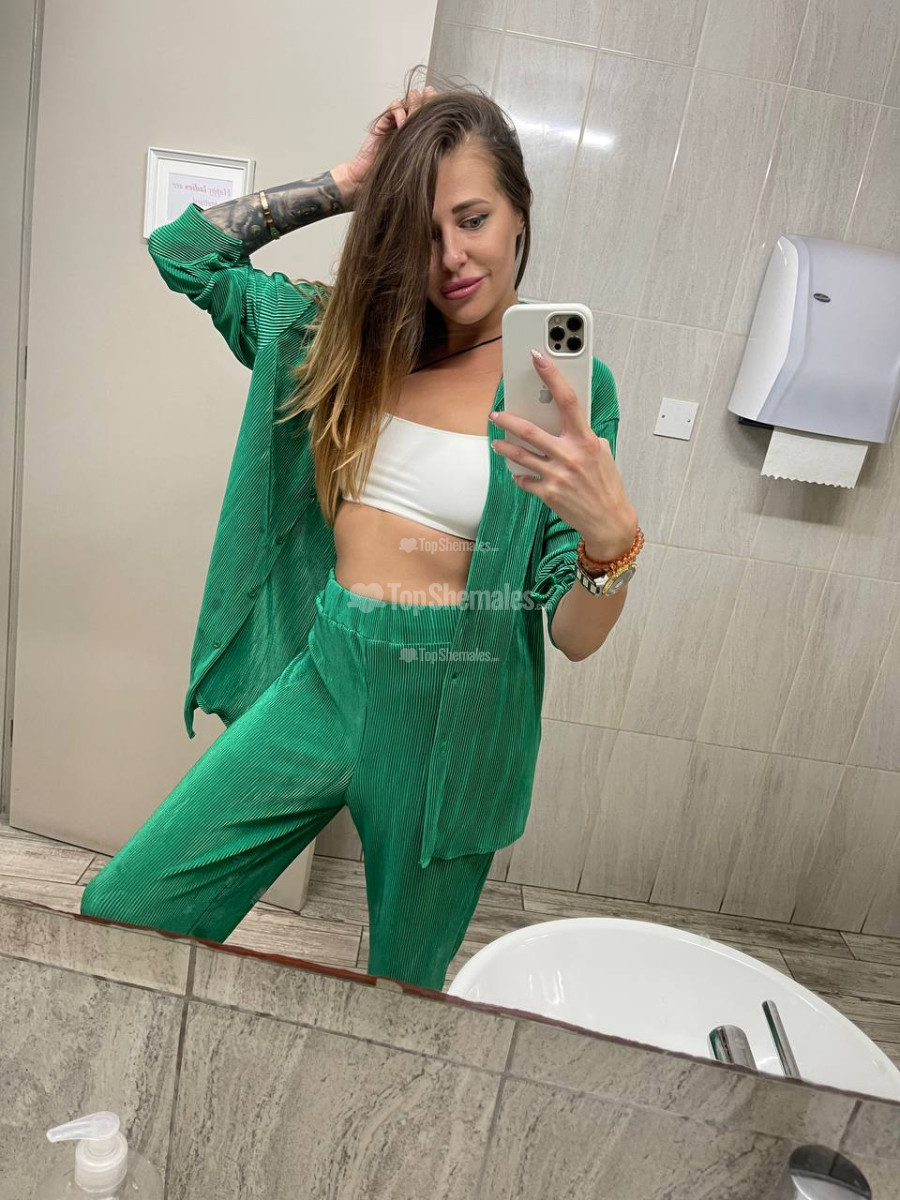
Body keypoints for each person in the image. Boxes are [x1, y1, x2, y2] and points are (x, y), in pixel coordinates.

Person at [79, 67, 638, 991]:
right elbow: (184, 252)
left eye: (472, 219)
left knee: (402, 992)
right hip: (328, 672)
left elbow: (573, 636)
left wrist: (612, 542)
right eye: (421, 230)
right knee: (127, 907)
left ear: (519, 216)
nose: (452, 256)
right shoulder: (337, 341)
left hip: (459, 710)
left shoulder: (567, 391)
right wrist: (349, 181)